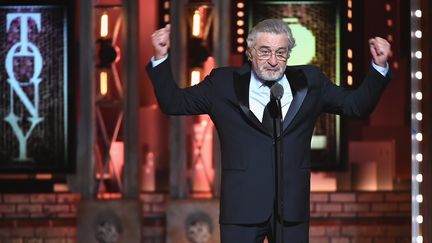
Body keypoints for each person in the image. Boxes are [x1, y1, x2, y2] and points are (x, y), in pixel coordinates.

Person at [147, 19, 391, 243]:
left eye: (280, 53)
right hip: (241, 208)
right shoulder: (222, 84)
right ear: (250, 52)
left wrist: (379, 68)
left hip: (291, 209)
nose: (273, 61)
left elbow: (356, 106)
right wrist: (161, 57)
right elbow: (174, 102)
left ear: (288, 55)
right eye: (265, 52)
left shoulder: (311, 82)